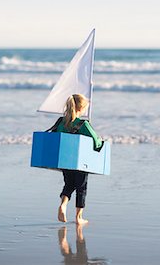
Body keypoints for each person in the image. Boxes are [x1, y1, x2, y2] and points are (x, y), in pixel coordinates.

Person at [53, 94, 103, 225]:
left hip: (65, 161)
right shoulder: (83, 124)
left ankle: (63, 205)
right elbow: (96, 142)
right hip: (81, 162)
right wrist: (101, 143)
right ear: (81, 108)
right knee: (81, 188)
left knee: (69, 184)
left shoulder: (60, 122)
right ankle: (78, 217)